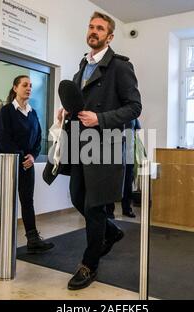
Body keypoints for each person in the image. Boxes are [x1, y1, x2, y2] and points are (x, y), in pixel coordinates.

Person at [58, 12, 142, 290]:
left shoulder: (119, 67)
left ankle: (89, 264)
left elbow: (134, 107)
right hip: (78, 145)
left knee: (94, 207)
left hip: (104, 146)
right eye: (91, 27)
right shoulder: (82, 66)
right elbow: (80, 104)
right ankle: (112, 230)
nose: (94, 31)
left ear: (110, 36)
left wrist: (101, 119)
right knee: (76, 197)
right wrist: (66, 112)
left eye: (100, 28)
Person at [0, 75, 54, 254]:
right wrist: (24, 157)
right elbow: (4, 140)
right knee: (8, 200)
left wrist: (33, 156)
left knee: (27, 201)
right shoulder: (6, 111)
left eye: (30, 86)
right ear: (15, 88)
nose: (28, 88)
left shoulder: (32, 112)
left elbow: (38, 138)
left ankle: (33, 239)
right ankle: (5, 238)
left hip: (27, 163)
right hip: (8, 163)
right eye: (24, 85)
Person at [106, 119, 142, 219]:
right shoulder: (114, 113)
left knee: (127, 183)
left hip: (128, 155)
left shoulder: (133, 117)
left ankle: (127, 209)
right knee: (112, 182)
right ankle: (109, 211)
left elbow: (136, 132)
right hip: (114, 154)